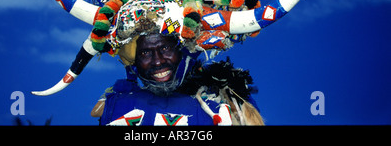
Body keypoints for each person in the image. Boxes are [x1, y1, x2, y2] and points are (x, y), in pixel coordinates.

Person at [92, 26, 264, 126]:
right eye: (145, 52)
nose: (158, 61)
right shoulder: (119, 102)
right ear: (133, 61)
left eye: (166, 48)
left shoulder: (224, 97)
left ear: (185, 50)